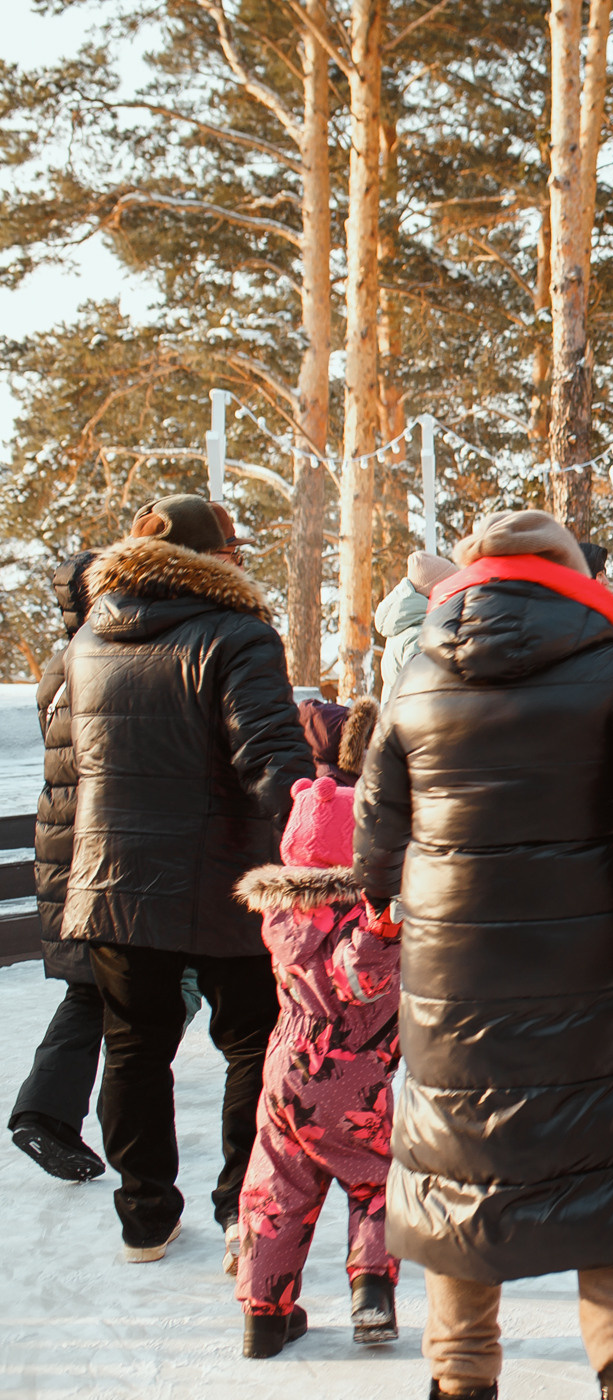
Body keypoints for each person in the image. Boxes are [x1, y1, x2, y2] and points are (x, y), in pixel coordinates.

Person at [354, 509, 613, 1400]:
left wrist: (383, 897)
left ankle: (461, 1374)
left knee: (461, 1168)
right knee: (606, 1171)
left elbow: (376, 828)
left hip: (451, 979)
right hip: (590, 973)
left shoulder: (420, 670)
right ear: (570, 573)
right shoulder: (611, 663)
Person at [62, 496, 314, 1267]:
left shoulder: (89, 638)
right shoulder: (240, 635)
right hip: (223, 877)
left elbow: (77, 758)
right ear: (220, 560)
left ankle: (145, 1216)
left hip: (112, 876)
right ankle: (244, 1204)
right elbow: (271, 752)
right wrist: (314, 831)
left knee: (135, 1045)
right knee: (252, 1042)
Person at [232, 769, 400, 1358]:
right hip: (350, 1074)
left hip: (282, 1069)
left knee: (275, 1188)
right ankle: (372, 1293)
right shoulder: (367, 919)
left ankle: (264, 1318)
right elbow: (360, 978)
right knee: (376, 1180)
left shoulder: (281, 915)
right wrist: (385, 924)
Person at [11, 551, 107, 1183]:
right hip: (88, 850)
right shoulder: (95, 662)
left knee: (99, 990)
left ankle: (47, 1114)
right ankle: (46, 1115)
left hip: (66, 845)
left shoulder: (63, 662)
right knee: (101, 989)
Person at [372, 550, 458, 698]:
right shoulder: (418, 637)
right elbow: (421, 696)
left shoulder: (408, 626)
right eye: (451, 592)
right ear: (436, 593)